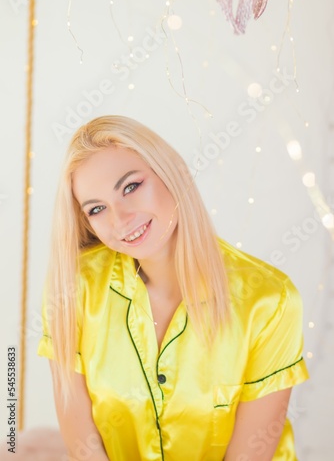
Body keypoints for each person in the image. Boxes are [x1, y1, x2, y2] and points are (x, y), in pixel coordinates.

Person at [37, 115, 309, 461]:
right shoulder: (73, 285)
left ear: (171, 172)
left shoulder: (270, 300)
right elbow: (77, 423)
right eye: (97, 208)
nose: (120, 219)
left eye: (131, 187)